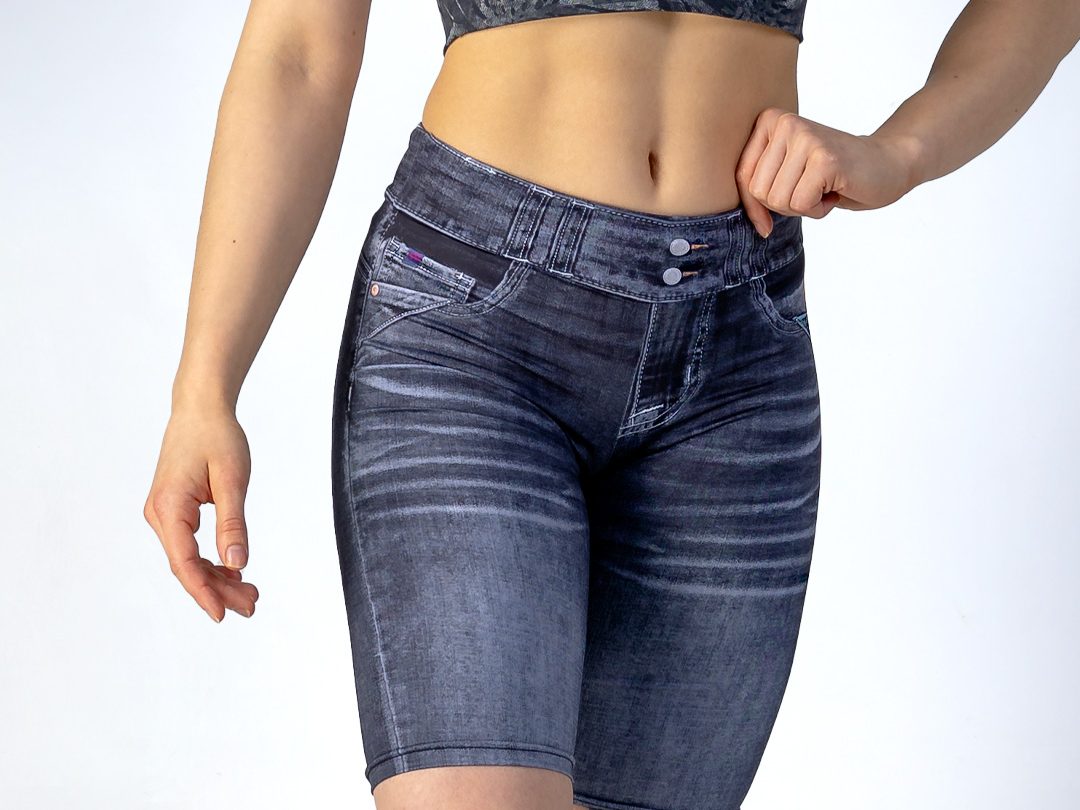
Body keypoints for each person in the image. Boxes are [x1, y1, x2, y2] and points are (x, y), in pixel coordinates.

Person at [143, 2, 1080, 809]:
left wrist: (904, 150)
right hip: (475, 329)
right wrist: (205, 386)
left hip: (737, 355)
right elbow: (299, 49)